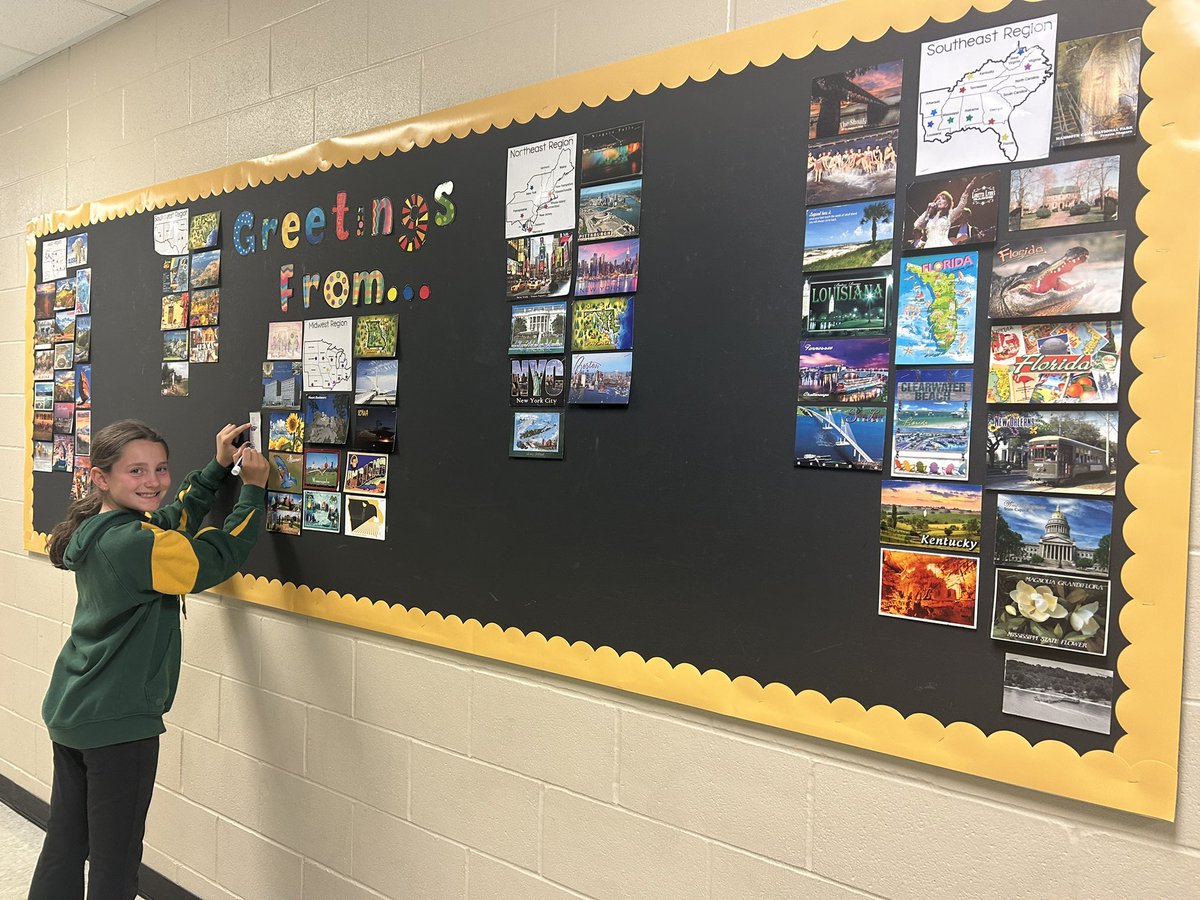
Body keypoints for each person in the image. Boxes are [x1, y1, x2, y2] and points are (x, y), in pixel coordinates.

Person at [28, 420, 269, 900]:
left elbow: (173, 518)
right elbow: (213, 559)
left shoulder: (103, 528)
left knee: (67, 841)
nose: (153, 481)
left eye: (160, 468)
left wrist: (218, 468)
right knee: (115, 863)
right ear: (100, 478)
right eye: (136, 470)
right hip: (118, 722)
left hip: (75, 709)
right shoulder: (134, 544)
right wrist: (253, 492)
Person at [911, 176, 978, 248]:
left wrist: (966, 191)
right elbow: (917, 225)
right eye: (938, 199)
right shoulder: (929, 216)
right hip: (929, 248)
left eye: (943, 199)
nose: (939, 200)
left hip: (944, 247)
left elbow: (960, 207)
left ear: (947, 204)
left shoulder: (949, 215)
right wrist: (928, 211)